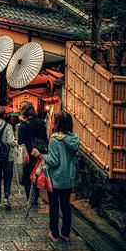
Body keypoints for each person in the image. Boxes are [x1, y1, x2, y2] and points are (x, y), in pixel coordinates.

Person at [32, 110, 80, 243]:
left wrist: (39, 155)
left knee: (54, 206)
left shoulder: (55, 139)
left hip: (56, 179)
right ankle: (66, 232)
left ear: (57, 123)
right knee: (66, 206)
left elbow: (53, 161)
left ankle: (54, 233)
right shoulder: (74, 138)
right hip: (69, 178)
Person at [17, 103, 49, 204]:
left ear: (23, 112)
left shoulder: (23, 125)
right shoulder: (41, 122)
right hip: (39, 152)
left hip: (29, 153)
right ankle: (35, 197)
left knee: (27, 176)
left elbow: (20, 142)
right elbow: (44, 137)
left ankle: (29, 198)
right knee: (37, 174)